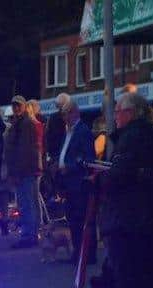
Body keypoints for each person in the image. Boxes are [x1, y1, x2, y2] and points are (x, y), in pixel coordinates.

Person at [101, 93, 153, 288]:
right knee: (149, 271)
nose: (115, 117)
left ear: (129, 113)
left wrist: (103, 179)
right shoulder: (151, 133)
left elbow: (121, 174)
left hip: (132, 218)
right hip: (150, 216)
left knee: (131, 270)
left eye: (118, 111)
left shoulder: (133, 137)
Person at [57, 102, 96, 264]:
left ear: (74, 113)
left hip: (79, 182)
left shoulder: (83, 131)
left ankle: (87, 254)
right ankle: (77, 252)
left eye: (65, 114)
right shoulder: (68, 132)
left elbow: (88, 159)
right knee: (73, 219)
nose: (63, 118)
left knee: (82, 219)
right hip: (69, 183)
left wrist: (70, 166)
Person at [4, 95, 41, 248]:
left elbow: (24, 150)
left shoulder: (24, 124)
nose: (16, 108)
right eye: (14, 105)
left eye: (18, 105)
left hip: (24, 171)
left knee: (27, 203)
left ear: (24, 106)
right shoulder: (20, 123)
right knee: (28, 203)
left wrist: (17, 172)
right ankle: (30, 234)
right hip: (24, 170)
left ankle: (29, 236)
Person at [44, 93, 70, 160]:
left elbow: (47, 134)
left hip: (55, 153)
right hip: (67, 153)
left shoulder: (52, 117)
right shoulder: (72, 117)